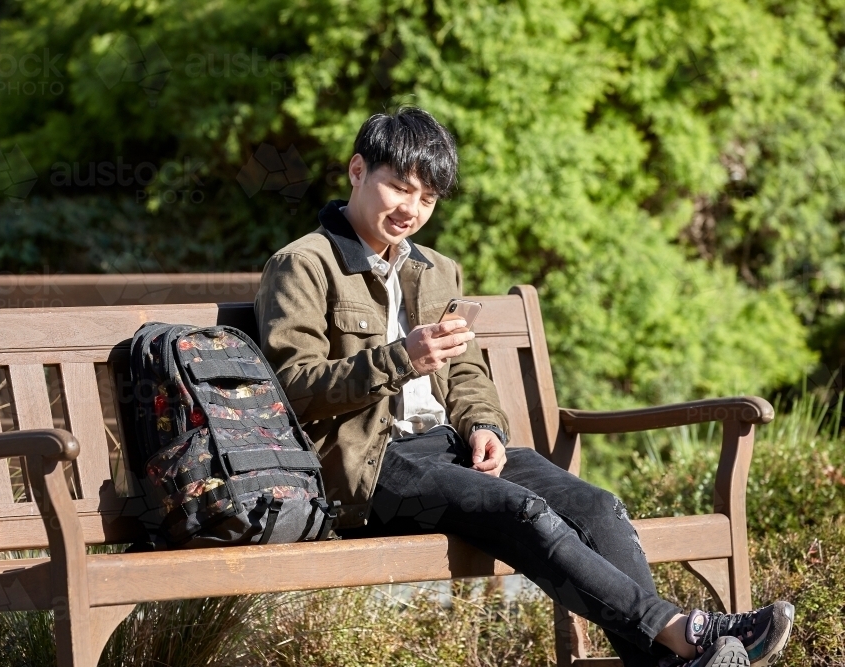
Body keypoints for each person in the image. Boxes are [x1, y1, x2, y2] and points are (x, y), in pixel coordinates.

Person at [254, 106, 794, 667]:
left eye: (429, 199)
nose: (411, 210)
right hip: (370, 463)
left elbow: (466, 374)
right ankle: (684, 631)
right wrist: (400, 358)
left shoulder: (438, 269)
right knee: (525, 511)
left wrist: (485, 426)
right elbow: (291, 391)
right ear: (357, 170)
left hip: (451, 449)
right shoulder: (302, 265)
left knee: (600, 507)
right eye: (400, 188)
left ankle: (671, 655)